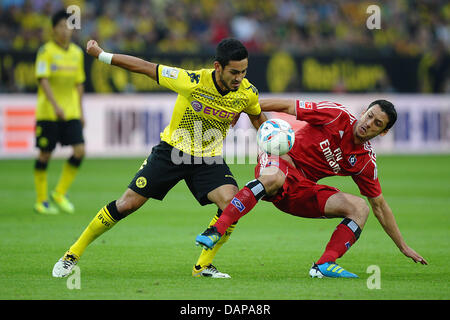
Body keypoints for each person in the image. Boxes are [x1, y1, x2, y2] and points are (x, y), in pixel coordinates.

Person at [52, 38, 267, 278]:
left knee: (231, 204)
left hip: (208, 158)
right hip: (173, 151)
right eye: (234, 72)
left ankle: (203, 266)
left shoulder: (246, 93)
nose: (239, 77)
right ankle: (72, 253)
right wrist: (102, 55)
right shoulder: (192, 81)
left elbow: (257, 116)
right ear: (218, 67)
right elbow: (145, 66)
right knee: (127, 204)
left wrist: (270, 143)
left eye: (243, 71)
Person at [196, 98, 428, 278]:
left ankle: (324, 264)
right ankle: (216, 229)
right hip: (280, 161)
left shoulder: (365, 161)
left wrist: (403, 246)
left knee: (360, 208)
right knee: (275, 177)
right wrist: (248, 107)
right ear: (363, 112)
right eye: (369, 116)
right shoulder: (335, 115)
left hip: (300, 189)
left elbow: (379, 205)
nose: (368, 124)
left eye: (377, 123)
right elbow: (288, 106)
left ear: (384, 132)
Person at [34, 9, 86, 215]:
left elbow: (79, 83)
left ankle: (60, 193)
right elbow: (43, 80)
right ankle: (41, 200)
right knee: (45, 154)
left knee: (80, 151)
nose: (65, 31)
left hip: (71, 112)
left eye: (68, 27)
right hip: (48, 112)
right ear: (53, 29)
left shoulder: (77, 53)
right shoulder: (45, 51)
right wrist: (55, 106)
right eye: (61, 27)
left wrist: (81, 111)